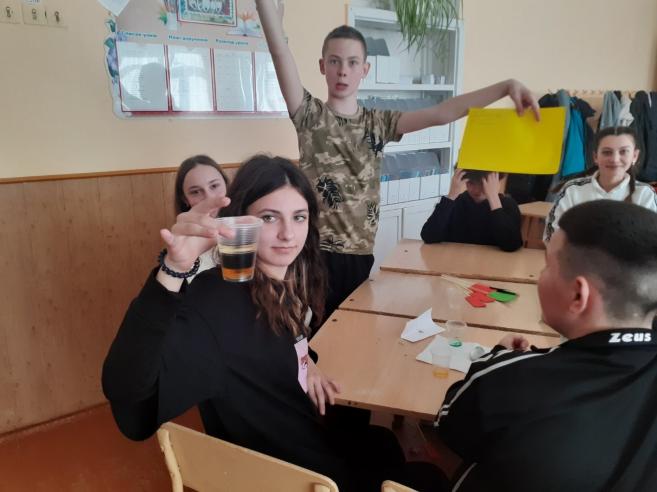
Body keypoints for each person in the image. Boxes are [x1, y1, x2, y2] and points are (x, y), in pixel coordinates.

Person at [102, 155, 447, 492]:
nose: (288, 234)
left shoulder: (279, 285)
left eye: (299, 217)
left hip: (301, 449)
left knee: (383, 443)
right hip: (292, 475)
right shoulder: (218, 301)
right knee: (429, 477)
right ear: (240, 222)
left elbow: (281, 341)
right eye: (269, 217)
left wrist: (307, 362)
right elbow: (131, 399)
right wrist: (172, 270)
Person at [255, 0, 540, 321]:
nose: (343, 70)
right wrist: (272, 19)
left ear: (365, 70)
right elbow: (280, 54)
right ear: (323, 66)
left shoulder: (379, 122)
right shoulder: (311, 115)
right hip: (317, 252)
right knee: (312, 330)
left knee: (350, 327)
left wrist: (505, 87)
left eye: (352, 62)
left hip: (361, 252)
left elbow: (442, 112)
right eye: (334, 61)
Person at [434, 200, 657, 491]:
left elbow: (448, 426)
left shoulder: (509, 380)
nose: (539, 276)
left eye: (547, 265)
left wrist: (499, 357)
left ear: (578, 295)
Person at [544, 126, 657, 242]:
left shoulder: (645, 194)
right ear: (595, 157)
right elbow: (552, 235)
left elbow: (651, 240)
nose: (615, 159)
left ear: (634, 156)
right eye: (607, 152)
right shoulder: (573, 190)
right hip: (575, 254)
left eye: (623, 152)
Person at [420, 169, 522, 251]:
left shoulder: (507, 204)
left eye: (483, 184)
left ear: (495, 183)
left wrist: (493, 199)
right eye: (471, 183)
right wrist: (451, 196)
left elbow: (511, 245)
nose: (476, 190)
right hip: (455, 264)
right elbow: (429, 237)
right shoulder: (455, 203)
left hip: (491, 266)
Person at [173, 154, 229, 279]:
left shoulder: (247, 229)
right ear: (185, 199)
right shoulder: (181, 242)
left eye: (214, 186)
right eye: (195, 192)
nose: (209, 197)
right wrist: (173, 266)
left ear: (226, 185)